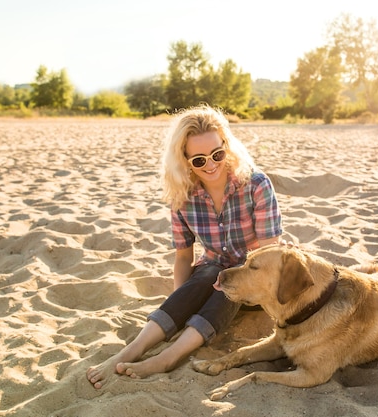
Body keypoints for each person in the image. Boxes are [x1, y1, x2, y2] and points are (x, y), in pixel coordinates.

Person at [86, 104, 282, 388]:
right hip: (209, 276)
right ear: (185, 159)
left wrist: (233, 280)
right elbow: (182, 258)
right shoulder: (183, 197)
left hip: (256, 283)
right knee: (208, 270)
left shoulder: (255, 185)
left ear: (226, 146)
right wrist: (182, 305)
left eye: (217, 154)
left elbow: (268, 259)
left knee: (227, 278)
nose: (211, 164)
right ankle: (132, 349)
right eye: (199, 160)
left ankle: (168, 357)